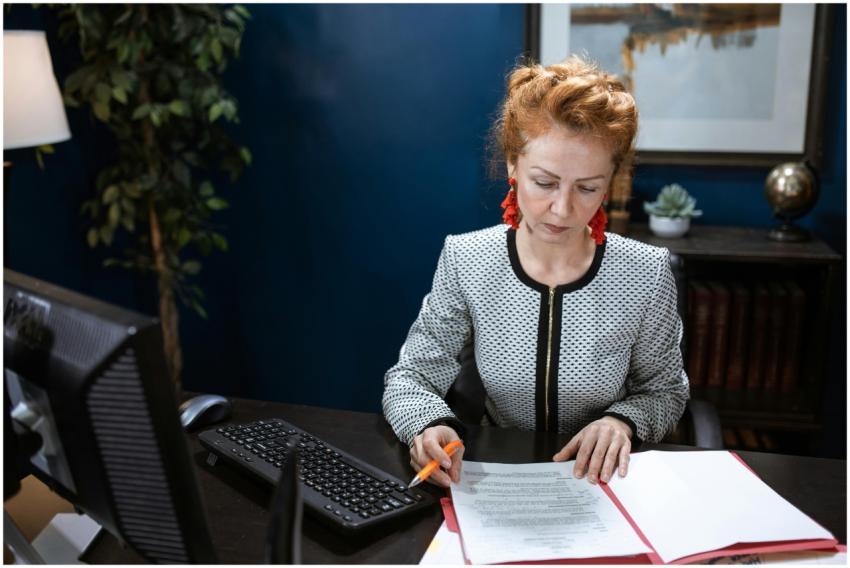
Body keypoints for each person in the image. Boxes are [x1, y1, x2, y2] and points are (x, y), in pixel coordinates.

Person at [382, 55, 689, 489]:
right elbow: (410, 377)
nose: (563, 209)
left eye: (588, 188)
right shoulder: (467, 259)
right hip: (494, 477)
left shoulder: (645, 273)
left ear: (611, 181)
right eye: (545, 182)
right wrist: (425, 426)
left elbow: (667, 392)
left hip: (603, 482)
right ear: (513, 164)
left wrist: (622, 422)